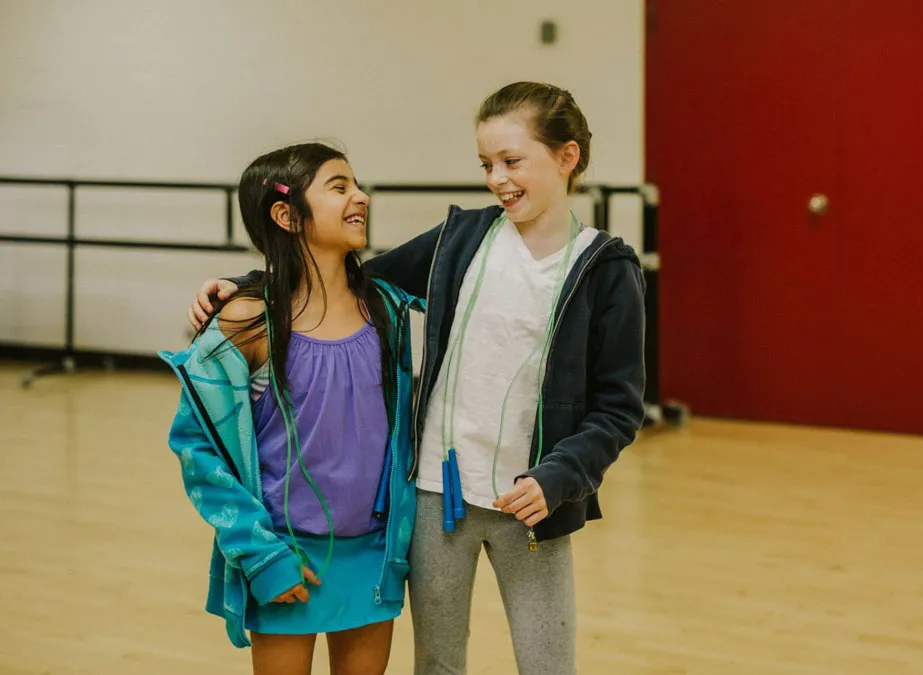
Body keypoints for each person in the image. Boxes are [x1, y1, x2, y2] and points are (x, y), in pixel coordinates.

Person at [188, 82, 646, 674]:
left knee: (549, 664)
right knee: (436, 663)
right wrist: (246, 286)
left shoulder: (607, 268)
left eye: (512, 161)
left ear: (566, 157)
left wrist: (561, 475)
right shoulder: (461, 240)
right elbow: (338, 277)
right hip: (436, 499)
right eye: (486, 164)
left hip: (533, 505)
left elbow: (618, 407)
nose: (497, 179)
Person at [162, 142, 420, 675]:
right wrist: (261, 556)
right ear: (286, 214)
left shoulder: (387, 308)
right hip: (285, 559)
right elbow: (198, 451)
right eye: (339, 186)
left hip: (372, 556)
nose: (361, 197)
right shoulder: (246, 320)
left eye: (357, 184)